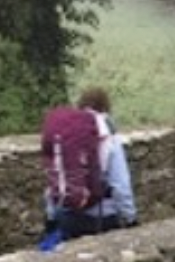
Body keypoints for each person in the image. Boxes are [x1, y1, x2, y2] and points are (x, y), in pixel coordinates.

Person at [41, 86, 139, 246]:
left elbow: (55, 176)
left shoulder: (66, 134)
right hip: (101, 218)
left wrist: (51, 219)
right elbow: (121, 185)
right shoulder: (108, 134)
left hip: (66, 217)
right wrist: (131, 220)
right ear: (105, 107)